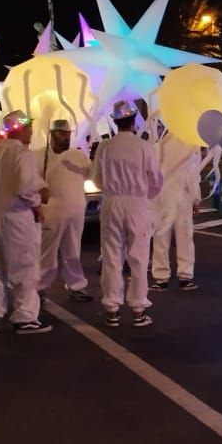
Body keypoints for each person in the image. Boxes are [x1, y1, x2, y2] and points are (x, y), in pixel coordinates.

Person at [0, 110, 49, 335]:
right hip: (17, 219)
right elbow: (25, 187)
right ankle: (25, 317)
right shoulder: (23, 154)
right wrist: (37, 202)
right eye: (29, 127)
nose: (31, 131)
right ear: (21, 129)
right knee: (25, 268)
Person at [91, 102, 162, 327]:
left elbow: (96, 179)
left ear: (115, 122)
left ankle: (112, 309)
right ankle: (138, 309)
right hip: (137, 203)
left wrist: (111, 191)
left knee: (111, 256)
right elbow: (156, 179)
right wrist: (145, 195)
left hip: (112, 202)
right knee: (138, 257)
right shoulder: (144, 146)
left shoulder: (105, 147)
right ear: (133, 122)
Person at [37, 119, 93, 303]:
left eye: (68, 134)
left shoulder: (78, 155)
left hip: (76, 210)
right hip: (50, 211)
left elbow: (89, 174)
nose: (66, 137)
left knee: (73, 250)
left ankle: (76, 286)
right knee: (47, 252)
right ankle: (39, 288)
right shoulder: (39, 156)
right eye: (62, 134)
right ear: (52, 135)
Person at [150, 133, 200, 291]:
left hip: (162, 196)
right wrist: (195, 200)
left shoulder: (159, 146)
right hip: (182, 197)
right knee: (184, 237)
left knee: (161, 237)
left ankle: (161, 278)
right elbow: (193, 176)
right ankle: (185, 276)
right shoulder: (192, 147)